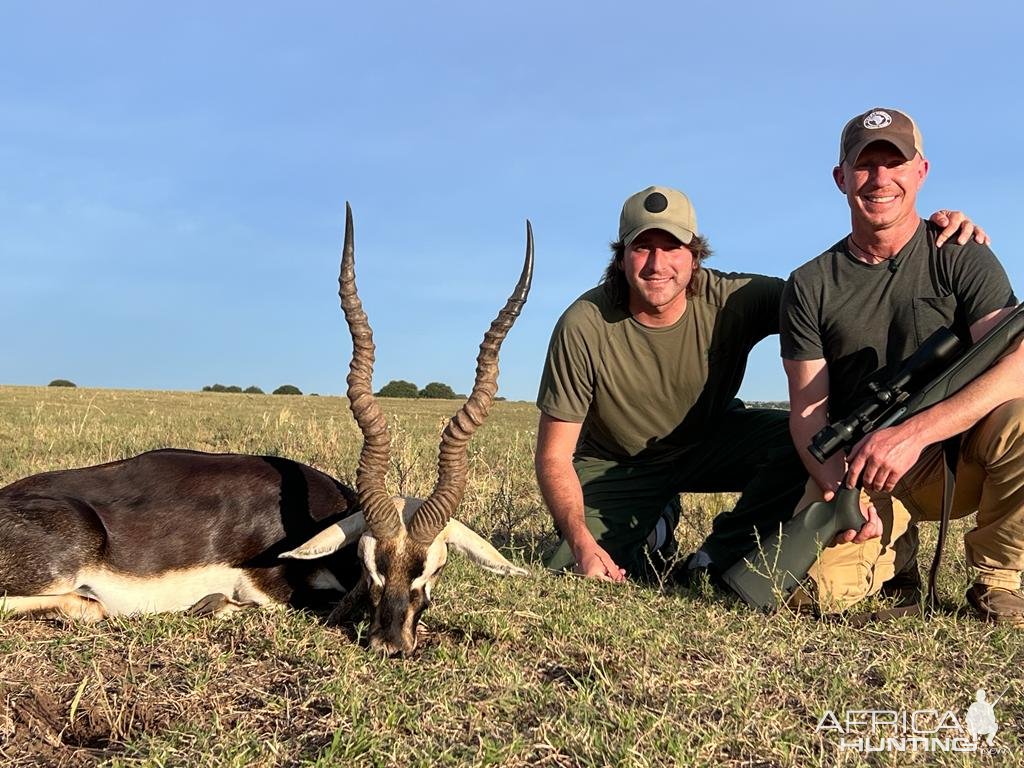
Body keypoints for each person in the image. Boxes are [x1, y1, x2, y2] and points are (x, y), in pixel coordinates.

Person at [536, 183, 986, 585]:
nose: (658, 264)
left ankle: (719, 553)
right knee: (571, 569)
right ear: (620, 257)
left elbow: (827, 297)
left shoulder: (735, 296)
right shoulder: (584, 323)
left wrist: (927, 237)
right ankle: (656, 525)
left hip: (710, 439)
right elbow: (555, 456)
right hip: (620, 463)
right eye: (642, 248)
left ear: (695, 256)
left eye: (672, 248)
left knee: (811, 443)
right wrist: (579, 543)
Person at [781, 107, 1023, 624]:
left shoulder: (960, 252)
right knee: (811, 593)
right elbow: (807, 413)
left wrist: (914, 433)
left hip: (954, 459)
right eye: (865, 166)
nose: (880, 179)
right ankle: (898, 562)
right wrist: (837, 489)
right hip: (863, 471)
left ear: (921, 171)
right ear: (841, 178)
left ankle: (997, 584)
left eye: (895, 162)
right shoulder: (808, 284)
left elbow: (1017, 364)